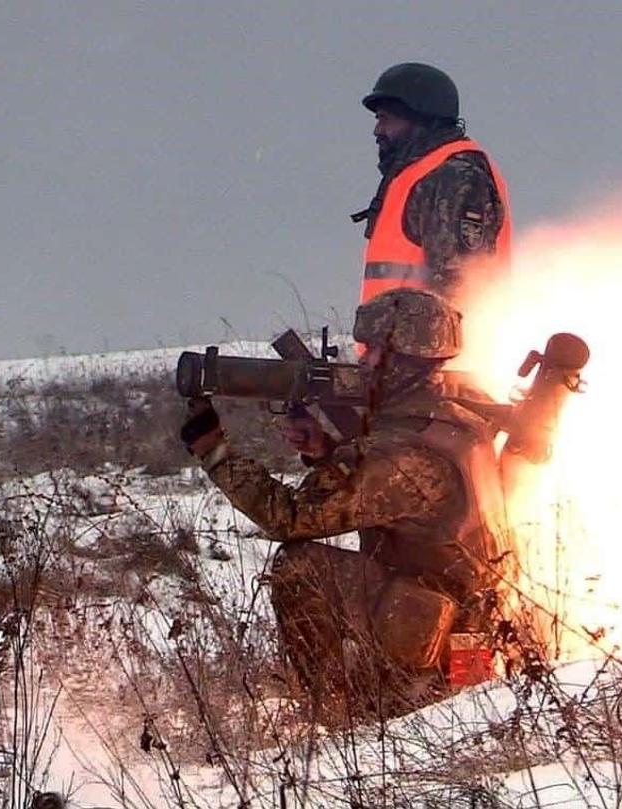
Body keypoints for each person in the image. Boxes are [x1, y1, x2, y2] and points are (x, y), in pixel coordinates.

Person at [179, 289, 509, 721]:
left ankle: (336, 715)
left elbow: (289, 517)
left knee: (299, 564)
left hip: (440, 634)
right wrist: (327, 449)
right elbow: (396, 501)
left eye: (372, 351)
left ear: (402, 361)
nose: (363, 361)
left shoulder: (401, 453)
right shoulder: (457, 419)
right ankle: (399, 689)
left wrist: (214, 450)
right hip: (469, 625)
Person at [352, 62, 513, 308]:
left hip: (441, 346)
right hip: (398, 346)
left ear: (420, 118)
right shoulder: (418, 174)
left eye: (385, 119)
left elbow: (461, 289)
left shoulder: (455, 177)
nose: (377, 130)